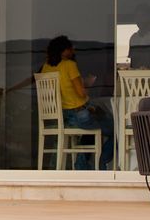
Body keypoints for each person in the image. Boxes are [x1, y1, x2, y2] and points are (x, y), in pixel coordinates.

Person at [41, 34, 113, 170]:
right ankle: (102, 163)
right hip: (79, 115)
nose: (73, 51)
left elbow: (61, 89)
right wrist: (86, 84)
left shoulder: (46, 67)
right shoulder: (70, 65)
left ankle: (82, 166)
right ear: (64, 50)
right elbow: (81, 93)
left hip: (62, 117)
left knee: (92, 127)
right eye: (70, 48)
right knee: (115, 128)